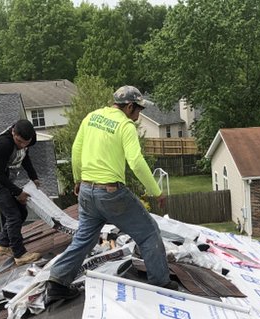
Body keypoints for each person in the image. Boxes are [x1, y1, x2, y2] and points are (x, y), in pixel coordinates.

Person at [44, 85, 176, 303]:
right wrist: (155, 190)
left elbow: (76, 151)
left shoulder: (92, 117)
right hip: (111, 193)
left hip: (86, 191)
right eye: (138, 111)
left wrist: (78, 179)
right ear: (130, 106)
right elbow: (135, 161)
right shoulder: (125, 126)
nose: (138, 116)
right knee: (149, 232)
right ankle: (161, 283)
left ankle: (57, 282)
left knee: (84, 238)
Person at [0, 119, 43, 266]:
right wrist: (18, 192)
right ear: (13, 132)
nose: (21, 145)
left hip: (3, 181)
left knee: (22, 212)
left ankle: (2, 245)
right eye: (19, 141)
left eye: (25, 143)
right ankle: (19, 254)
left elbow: (25, 157)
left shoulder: (28, 140)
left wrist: (34, 177)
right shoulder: (4, 144)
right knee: (13, 216)